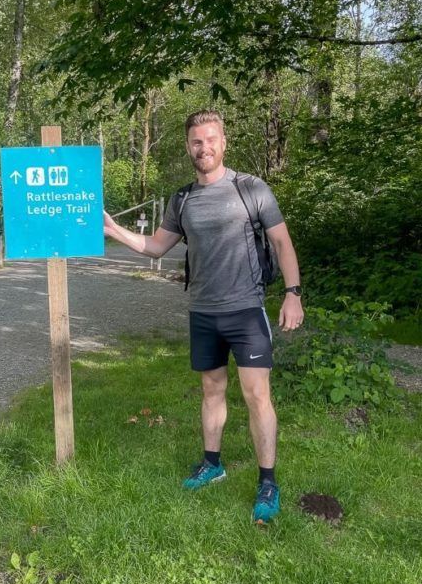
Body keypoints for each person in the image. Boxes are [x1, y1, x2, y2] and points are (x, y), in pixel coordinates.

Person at [103, 109, 303, 523]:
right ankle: (212, 464)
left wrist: (292, 294)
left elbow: (282, 243)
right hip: (203, 312)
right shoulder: (183, 199)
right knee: (212, 390)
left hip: (246, 310)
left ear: (223, 142)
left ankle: (268, 480)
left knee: (257, 396)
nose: (204, 147)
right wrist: (113, 229)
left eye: (211, 139)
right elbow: (157, 247)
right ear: (188, 147)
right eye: (196, 141)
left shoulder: (251, 188)